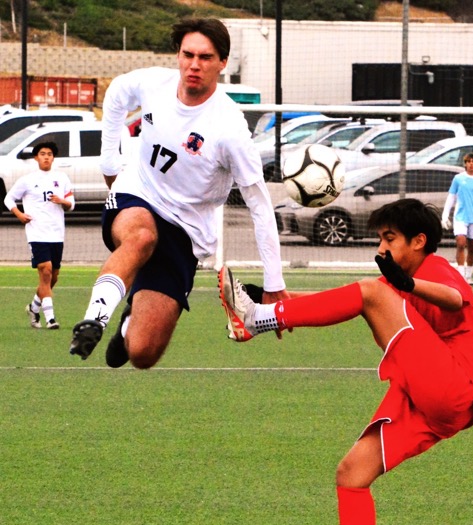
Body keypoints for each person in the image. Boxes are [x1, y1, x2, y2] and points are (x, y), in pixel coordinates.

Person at [219, 198, 473, 525]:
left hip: (453, 383)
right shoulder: (402, 280)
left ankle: (257, 320)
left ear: (419, 242)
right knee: (351, 474)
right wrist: (283, 303)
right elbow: (350, 300)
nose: (382, 247)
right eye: (381, 238)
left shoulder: (434, 269)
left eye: (390, 238)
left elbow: (455, 298)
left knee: (371, 292)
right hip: (431, 399)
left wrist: (408, 284)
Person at [69, 17, 287, 368]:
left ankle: (127, 326)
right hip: (138, 195)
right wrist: (110, 164)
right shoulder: (153, 84)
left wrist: (273, 281)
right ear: (178, 54)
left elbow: (260, 205)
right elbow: (116, 94)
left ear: (222, 63)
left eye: (205, 57)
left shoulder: (230, 128)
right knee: (140, 237)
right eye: (188, 54)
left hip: (186, 231)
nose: (194, 65)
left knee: (143, 354)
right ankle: (96, 317)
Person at [4, 141, 75, 330]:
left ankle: (34, 307)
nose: (46, 157)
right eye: (42, 153)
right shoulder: (27, 180)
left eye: (50, 154)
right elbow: (8, 198)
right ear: (36, 158)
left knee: (53, 277)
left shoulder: (62, 178)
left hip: (57, 233)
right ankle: (50, 318)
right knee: (45, 271)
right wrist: (19, 214)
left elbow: (71, 203)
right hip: (36, 233)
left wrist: (63, 201)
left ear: (53, 157)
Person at [441, 152, 473, 286]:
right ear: (465, 164)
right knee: (460, 242)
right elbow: (451, 197)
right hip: (460, 217)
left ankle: (468, 276)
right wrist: (445, 215)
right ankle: (460, 275)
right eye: (468, 161)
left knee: (471, 247)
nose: (471, 164)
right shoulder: (458, 179)